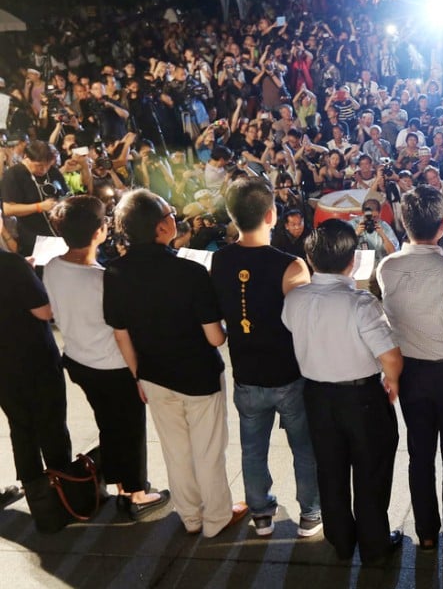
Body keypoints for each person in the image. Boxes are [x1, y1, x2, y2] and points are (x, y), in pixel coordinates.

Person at [103, 189, 247, 537]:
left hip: (152, 373)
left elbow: (121, 334)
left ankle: (190, 516)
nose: (175, 219)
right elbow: (215, 338)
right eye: (169, 214)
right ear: (159, 227)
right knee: (209, 450)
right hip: (198, 375)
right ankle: (216, 518)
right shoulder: (190, 272)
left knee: (175, 450)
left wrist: (138, 377)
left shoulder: (114, 272)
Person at [281, 219, 404, 564]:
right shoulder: (360, 303)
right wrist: (392, 381)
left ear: (310, 258)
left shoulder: (295, 299)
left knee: (330, 470)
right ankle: (375, 544)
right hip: (361, 398)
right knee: (371, 471)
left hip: (317, 397)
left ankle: (341, 539)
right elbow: (391, 357)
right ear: (353, 260)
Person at [44, 196, 170, 520]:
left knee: (109, 424)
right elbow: (122, 330)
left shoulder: (53, 267)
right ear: (100, 231)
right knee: (130, 428)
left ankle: (120, 485)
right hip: (112, 366)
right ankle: (137, 493)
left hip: (77, 361)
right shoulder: (103, 279)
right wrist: (139, 373)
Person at [211, 178, 321, 538]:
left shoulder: (220, 258)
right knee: (304, 447)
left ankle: (260, 513)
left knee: (252, 448)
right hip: (288, 372)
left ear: (232, 216)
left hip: (246, 371)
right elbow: (305, 325)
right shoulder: (292, 266)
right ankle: (310, 513)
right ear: (272, 214)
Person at [376, 186, 443, 554]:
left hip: (409, 374)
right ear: (442, 227)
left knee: (419, 454)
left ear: (405, 224)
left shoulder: (386, 268)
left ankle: (424, 532)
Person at [0, 247, 71, 499]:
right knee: (50, 423)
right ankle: (64, 489)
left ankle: (35, 493)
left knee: (20, 425)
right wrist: (27, 275)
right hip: (32, 356)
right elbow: (43, 311)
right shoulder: (10, 264)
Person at [1, 140, 68, 256]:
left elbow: (65, 194)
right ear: (26, 157)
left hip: (60, 232)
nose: (44, 169)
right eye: (39, 165)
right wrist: (39, 207)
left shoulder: (53, 172)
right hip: (33, 238)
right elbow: (8, 209)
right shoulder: (13, 175)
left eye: (48, 165)